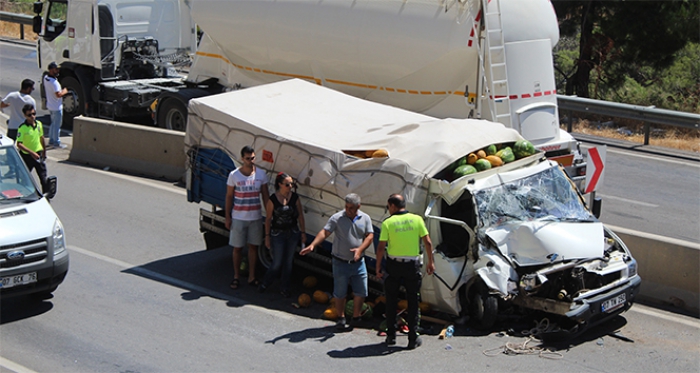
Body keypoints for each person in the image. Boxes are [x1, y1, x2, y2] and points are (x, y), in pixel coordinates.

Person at [300, 193, 374, 330]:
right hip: (340, 261)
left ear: (359, 206)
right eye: (346, 207)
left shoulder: (365, 218)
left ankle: (356, 317)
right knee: (340, 292)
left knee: (361, 292)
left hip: (358, 262)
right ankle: (341, 317)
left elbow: (369, 236)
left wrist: (360, 249)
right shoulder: (337, 218)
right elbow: (325, 232)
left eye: (351, 208)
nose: (348, 210)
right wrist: (313, 245)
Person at [375, 193, 435, 350]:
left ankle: (391, 337)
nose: (388, 210)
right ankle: (412, 339)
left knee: (391, 300)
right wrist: (431, 262)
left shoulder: (388, 222)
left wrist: (378, 266)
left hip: (394, 265)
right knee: (413, 301)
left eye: (388, 207)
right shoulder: (417, 219)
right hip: (412, 266)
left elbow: (381, 247)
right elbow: (427, 242)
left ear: (393, 206)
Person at [225, 145, 269, 289]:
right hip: (238, 217)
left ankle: (252, 276)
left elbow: (265, 196)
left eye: (253, 158)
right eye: (248, 159)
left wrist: (269, 216)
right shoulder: (234, 175)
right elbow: (229, 196)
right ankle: (236, 276)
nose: (251, 161)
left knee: (253, 247)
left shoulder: (261, 175)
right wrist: (228, 217)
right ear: (242, 159)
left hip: (255, 217)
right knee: (237, 248)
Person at [259, 173, 306, 297]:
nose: (290, 186)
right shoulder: (273, 199)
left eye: (291, 184)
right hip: (278, 234)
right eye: (287, 184)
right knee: (277, 262)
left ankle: (284, 287)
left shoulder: (295, 197)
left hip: (293, 233)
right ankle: (266, 282)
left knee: (288, 262)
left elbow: (300, 215)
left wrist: (303, 232)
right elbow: (268, 219)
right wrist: (267, 236)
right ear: (280, 184)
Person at [15, 104, 48, 192]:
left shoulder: (39, 124)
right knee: (25, 178)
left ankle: (45, 196)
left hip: (38, 154)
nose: (32, 116)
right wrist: (31, 153)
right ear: (25, 116)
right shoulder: (22, 128)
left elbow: (41, 137)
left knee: (43, 178)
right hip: (27, 157)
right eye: (29, 115)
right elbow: (19, 144)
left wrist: (44, 151)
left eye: (34, 114)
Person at [44, 62, 68, 148]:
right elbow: (58, 95)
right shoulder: (54, 83)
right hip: (56, 107)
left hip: (50, 105)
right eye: (55, 69)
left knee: (53, 124)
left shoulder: (46, 78)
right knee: (57, 125)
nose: (58, 70)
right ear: (51, 70)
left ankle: (51, 140)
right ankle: (56, 142)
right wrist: (65, 90)